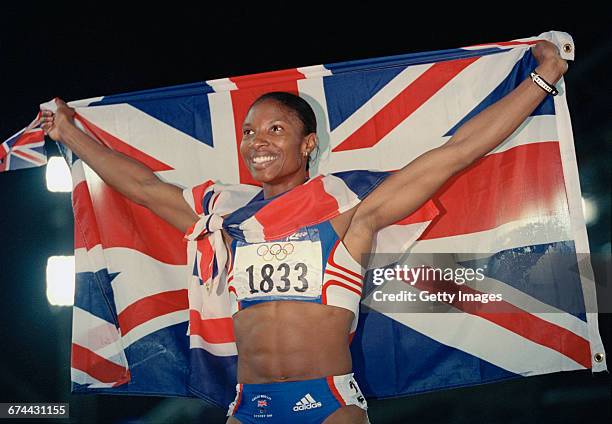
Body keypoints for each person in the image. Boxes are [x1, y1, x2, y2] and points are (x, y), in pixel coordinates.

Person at [41, 40, 567, 424]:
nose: (257, 141)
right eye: (249, 131)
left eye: (276, 129)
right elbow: (141, 188)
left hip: (328, 406)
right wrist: (69, 134)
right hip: (247, 407)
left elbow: (456, 153)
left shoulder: (349, 217)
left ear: (308, 143)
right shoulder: (224, 222)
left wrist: (540, 80)